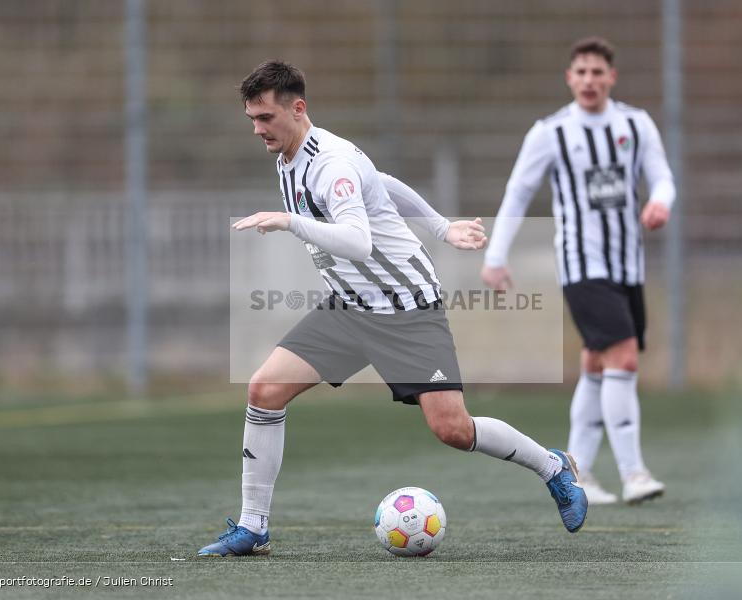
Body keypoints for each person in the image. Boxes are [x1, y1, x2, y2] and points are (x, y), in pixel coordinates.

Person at [197, 60, 588, 557]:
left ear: (298, 109)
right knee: (264, 389)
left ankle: (553, 468)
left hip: (407, 307)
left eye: (266, 118)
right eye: (252, 119)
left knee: (452, 429)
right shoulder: (292, 155)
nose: (257, 129)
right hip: (350, 306)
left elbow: (359, 242)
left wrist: (289, 222)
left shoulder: (331, 162)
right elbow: (381, 181)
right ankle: (253, 527)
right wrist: (442, 226)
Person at [481, 37, 674, 505]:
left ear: (612, 77)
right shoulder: (550, 132)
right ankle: (634, 474)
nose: (589, 80)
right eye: (580, 72)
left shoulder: (635, 123)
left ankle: (579, 471)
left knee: (596, 363)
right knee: (624, 358)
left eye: (597, 72)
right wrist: (495, 256)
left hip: (628, 264)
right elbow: (518, 192)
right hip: (582, 265)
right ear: (569, 78)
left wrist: (660, 202)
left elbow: (662, 176)